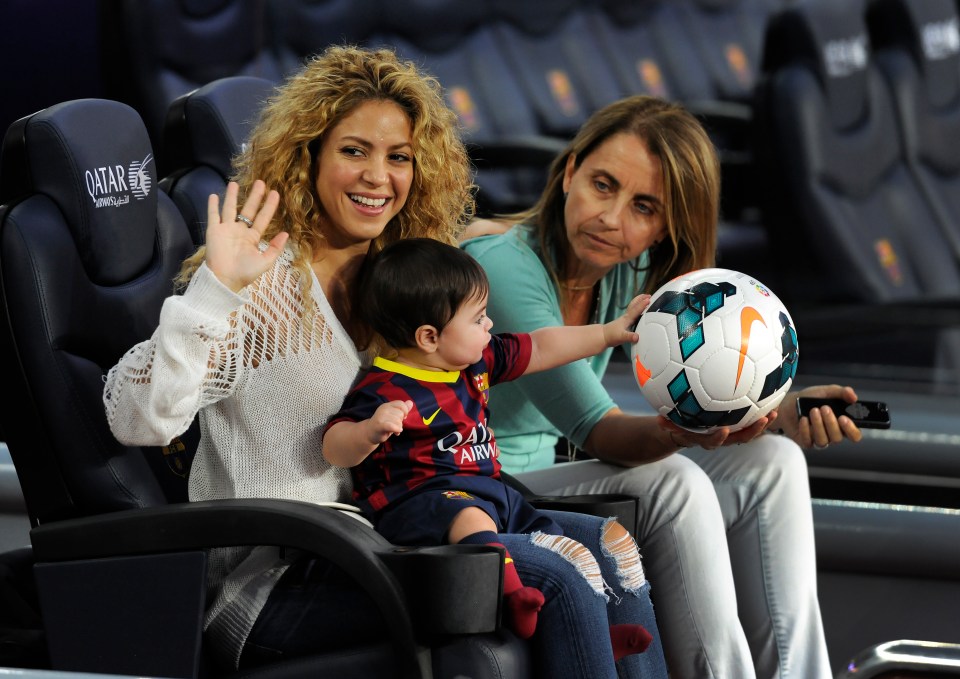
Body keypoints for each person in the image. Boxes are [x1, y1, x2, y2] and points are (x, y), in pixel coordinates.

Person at [102, 46, 666, 678]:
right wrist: (215, 290)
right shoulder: (259, 289)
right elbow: (139, 418)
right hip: (282, 584)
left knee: (611, 546)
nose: (378, 176)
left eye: (398, 157)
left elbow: (508, 352)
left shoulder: (406, 285)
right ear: (308, 154)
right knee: (556, 574)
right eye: (353, 151)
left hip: (395, 542)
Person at [461, 94, 865, 679]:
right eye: (603, 185)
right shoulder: (504, 269)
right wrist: (686, 436)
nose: (612, 217)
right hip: (482, 491)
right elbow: (599, 430)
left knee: (773, 462)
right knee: (673, 479)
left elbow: (691, 396)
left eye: (643, 206)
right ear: (570, 171)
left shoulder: (620, 267)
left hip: (544, 479)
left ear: (665, 226)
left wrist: (776, 411)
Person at [323, 237, 654, 658]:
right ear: (428, 337)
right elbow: (333, 446)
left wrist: (608, 333)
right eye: (478, 318)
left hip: (492, 492)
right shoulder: (383, 389)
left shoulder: (475, 361)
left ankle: (589, 632)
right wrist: (370, 430)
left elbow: (544, 347)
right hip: (418, 505)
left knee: (553, 533)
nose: (490, 324)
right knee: (467, 513)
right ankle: (512, 596)